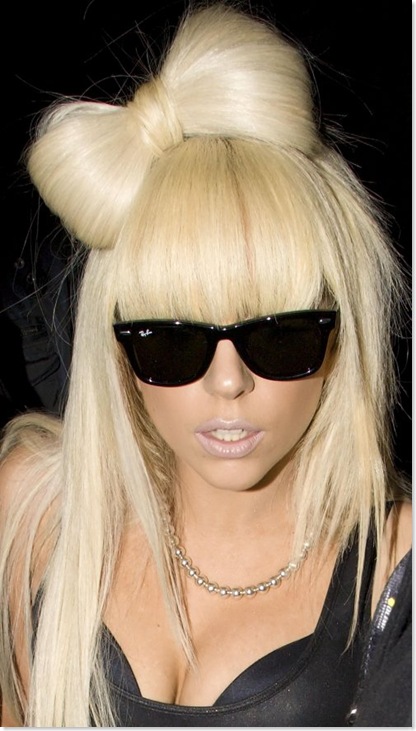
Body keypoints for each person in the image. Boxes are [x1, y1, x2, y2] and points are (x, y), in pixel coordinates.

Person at [0, 2, 411, 726]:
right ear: (115, 347)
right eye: (172, 343)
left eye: (282, 338)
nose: (229, 383)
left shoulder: (393, 566)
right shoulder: (37, 512)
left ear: (342, 338)